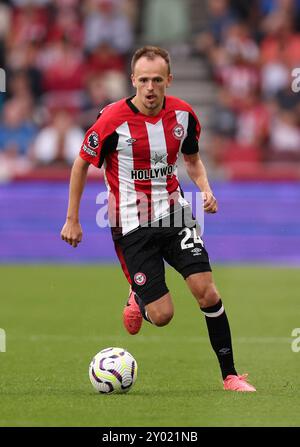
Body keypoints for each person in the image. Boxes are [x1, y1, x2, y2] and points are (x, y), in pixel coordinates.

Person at [61, 46, 256, 392]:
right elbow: (80, 164)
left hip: (174, 213)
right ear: (133, 80)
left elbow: (192, 160)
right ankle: (138, 297)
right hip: (131, 225)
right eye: (144, 80)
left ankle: (230, 376)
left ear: (168, 80)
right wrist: (72, 219)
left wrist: (205, 188)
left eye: (157, 80)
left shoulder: (183, 115)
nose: (150, 87)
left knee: (206, 291)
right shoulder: (111, 120)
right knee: (163, 316)